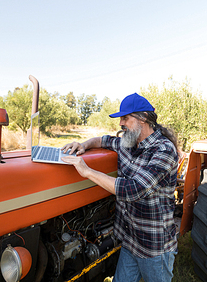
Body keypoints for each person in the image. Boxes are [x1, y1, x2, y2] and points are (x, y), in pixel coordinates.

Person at [61, 93, 179, 282]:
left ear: (144, 118)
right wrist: (83, 145)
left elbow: (133, 190)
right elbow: (101, 140)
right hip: (130, 240)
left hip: (154, 246)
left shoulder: (163, 150)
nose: (121, 123)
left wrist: (87, 171)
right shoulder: (128, 142)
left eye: (126, 118)